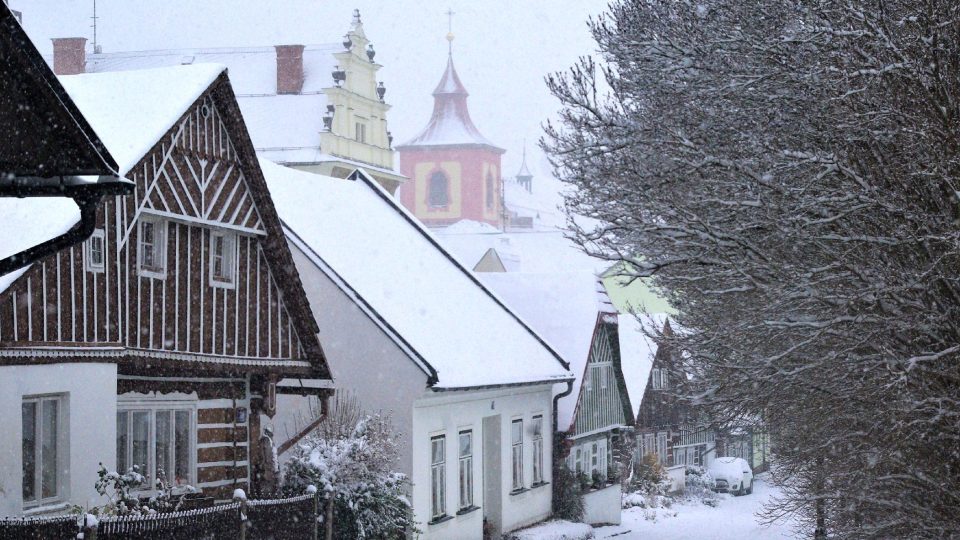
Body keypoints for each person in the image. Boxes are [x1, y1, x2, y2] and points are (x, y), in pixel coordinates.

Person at [258, 425, 280, 496]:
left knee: (269, 489)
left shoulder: (267, 441)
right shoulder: (266, 440)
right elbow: (267, 456)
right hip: (268, 469)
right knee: (268, 490)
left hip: (269, 469)